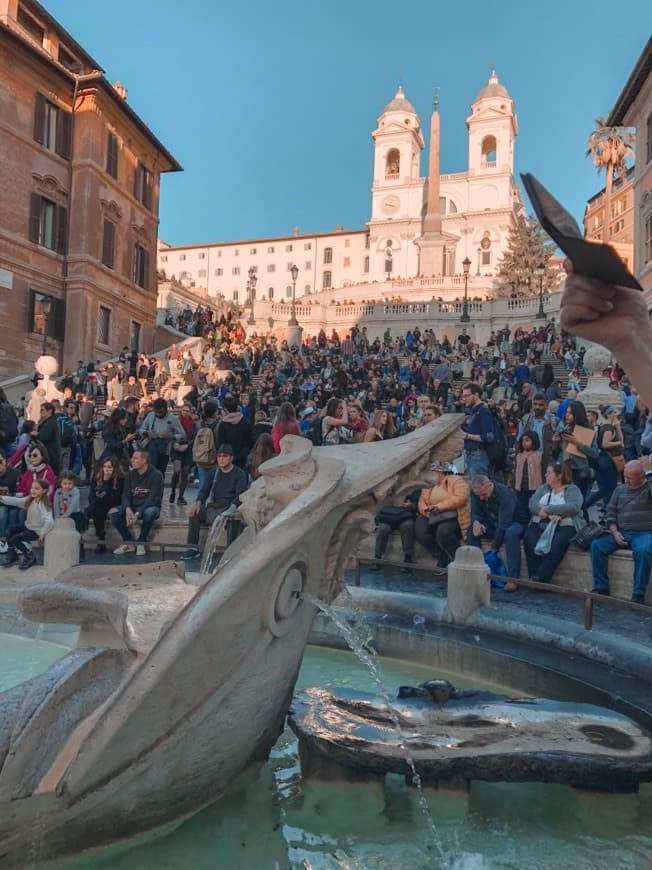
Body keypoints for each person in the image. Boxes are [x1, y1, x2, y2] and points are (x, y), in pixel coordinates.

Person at [590, 460, 652, 604]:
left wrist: (649, 474)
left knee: (644, 551)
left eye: (631, 478)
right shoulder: (619, 490)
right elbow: (610, 512)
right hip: (621, 531)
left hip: (644, 533)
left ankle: (638, 593)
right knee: (597, 546)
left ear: (641, 477)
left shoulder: (648, 488)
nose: (626, 480)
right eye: (625, 476)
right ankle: (601, 587)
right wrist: (614, 531)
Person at [181, 444, 248, 561]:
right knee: (195, 514)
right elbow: (203, 491)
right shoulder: (213, 472)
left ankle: (230, 551)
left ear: (231, 458)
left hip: (229, 508)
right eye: (219, 456)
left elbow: (240, 495)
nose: (221, 459)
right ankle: (193, 548)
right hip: (214, 508)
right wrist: (198, 502)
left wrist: (232, 508)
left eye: (225, 456)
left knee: (233, 517)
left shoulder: (240, 474)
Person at [523, 461, 583, 584]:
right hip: (541, 522)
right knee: (529, 538)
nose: (546, 475)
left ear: (559, 475)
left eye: (549, 473)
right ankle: (533, 574)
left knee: (557, 543)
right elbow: (532, 504)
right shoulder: (543, 488)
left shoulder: (572, 489)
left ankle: (542, 577)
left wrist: (548, 509)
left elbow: (573, 507)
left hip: (565, 524)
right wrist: (546, 514)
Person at [467, 475, 524, 590]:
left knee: (510, 533)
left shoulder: (505, 495)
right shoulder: (476, 493)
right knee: (471, 530)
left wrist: (493, 549)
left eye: (483, 495)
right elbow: (475, 511)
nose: (481, 498)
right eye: (479, 496)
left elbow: (504, 524)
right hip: (492, 523)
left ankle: (513, 579)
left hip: (514, 523)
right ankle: (474, 570)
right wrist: (476, 522)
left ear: (489, 485)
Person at [414, 462, 470, 574]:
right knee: (420, 530)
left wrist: (439, 507)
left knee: (444, 532)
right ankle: (442, 558)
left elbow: (460, 498)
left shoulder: (456, 480)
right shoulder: (429, 484)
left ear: (440, 472)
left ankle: (458, 560)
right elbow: (422, 500)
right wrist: (426, 510)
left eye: (432, 472)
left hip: (452, 514)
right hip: (433, 514)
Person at [111, 449, 164, 557]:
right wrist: (127, 509)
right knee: (113, 512)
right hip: (133, 507)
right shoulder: (130, 475)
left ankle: (141, 542)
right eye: (132, 458)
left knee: (149, 513)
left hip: (150, 506)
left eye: (135, 458)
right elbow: (125, 495)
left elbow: (153, 498)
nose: (132, 460)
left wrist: (138, 513)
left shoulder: (156, 475)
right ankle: (128, 541)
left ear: (144, 461)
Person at [552, 400, 598, 510]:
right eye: (566, 412)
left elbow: (594, 453)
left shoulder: (587, 430)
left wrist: (578, 443)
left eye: (570, 413)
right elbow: (557, 453)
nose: (567, 415)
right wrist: (555, 443)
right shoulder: (564, 428)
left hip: (579, 471)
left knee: (579, 504)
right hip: (565, 469)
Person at [0, 478, 53, 570]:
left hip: (36, 530)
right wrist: (2, 498)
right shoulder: (31, 499)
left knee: (15, 539)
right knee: (9, 530)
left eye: (37, 488)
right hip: (28, 525)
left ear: (44, 491)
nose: (33, 490)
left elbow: (49, 521)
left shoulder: (43, 504)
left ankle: (30, 556)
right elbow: (17, 501)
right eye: (32, 488)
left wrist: (42, 533)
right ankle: (12, 555)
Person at [584, 405, 625, 513]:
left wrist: (618, 427)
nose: (616, 415)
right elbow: (605, 444)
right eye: (614, 413)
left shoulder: (605, 426)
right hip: (608, 462)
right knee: (610, 489)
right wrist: (618, 442)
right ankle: (607, 512)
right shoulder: (608, 428)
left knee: (604, 489)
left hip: (603, 461)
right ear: (609, 414)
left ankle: (589, 507)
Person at [370, 490, 419, 574]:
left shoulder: (414, 486)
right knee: (383, 529)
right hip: (387, 515)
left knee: (407, 526)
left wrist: (411, 504)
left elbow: (419, 503)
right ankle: (377, 557)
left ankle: (408, 558)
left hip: (405, 515)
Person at [85, 456, 124, 554]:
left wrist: (106, 482)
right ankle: (101, 539)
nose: (107, 469)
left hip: (113, 505)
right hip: (99, 506)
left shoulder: (120, 479)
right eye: (105, 467)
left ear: (115, 468)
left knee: (95, 507)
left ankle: (85, 516)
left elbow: (117, 497)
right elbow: (91, 496)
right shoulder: (97, 477)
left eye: (110, 467)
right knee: (97, 510)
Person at [138, 397, 186, 477]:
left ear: (165, 409)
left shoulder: (173, 419)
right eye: (156, 412)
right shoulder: (150, 416)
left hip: (165, 449)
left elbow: (182, 434)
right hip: (151, 447)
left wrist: (171, 436)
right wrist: (147, 433)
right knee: (150, 470)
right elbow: (141, 430)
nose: (158, 414)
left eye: (160, 412)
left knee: (160, 472)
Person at [460, 382, 494, 479]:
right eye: (463, 396)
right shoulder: (475, 411)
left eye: (467, 396)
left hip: (478, 456)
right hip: (472, 455)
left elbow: (489, 437)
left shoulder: (483, 411)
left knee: (479, 489)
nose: (464, 399)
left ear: (476, 395)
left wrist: (467, 435)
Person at [170, 404, 195, 506]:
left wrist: (188, 446)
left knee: (185, 473)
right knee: (177, 470)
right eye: (184, 410)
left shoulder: (194, 424)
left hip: (188, 447)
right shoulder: (176, 421)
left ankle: (181, 496)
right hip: (177, 445)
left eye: (188, 411)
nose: (186, 413)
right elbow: (170, 433)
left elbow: (195, 437)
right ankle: (173, 491)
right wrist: (174, 443)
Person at [0, 450, 19, 542]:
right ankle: (2, 540)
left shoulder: (14, 473)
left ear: (5, 461)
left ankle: (13, 539)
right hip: (1, 503)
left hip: (12, 500)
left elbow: (19, 489)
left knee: (14, 512)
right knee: (2, 513)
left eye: (0, 461)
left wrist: (10, 494)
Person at [37, 402, 61, 474]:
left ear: (50, 411)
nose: (40, 412)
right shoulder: (49, 421)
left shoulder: (50, 423)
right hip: (50, 452)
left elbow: (44, 437)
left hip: (50, 453)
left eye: (42, 410)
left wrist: (36, 434)